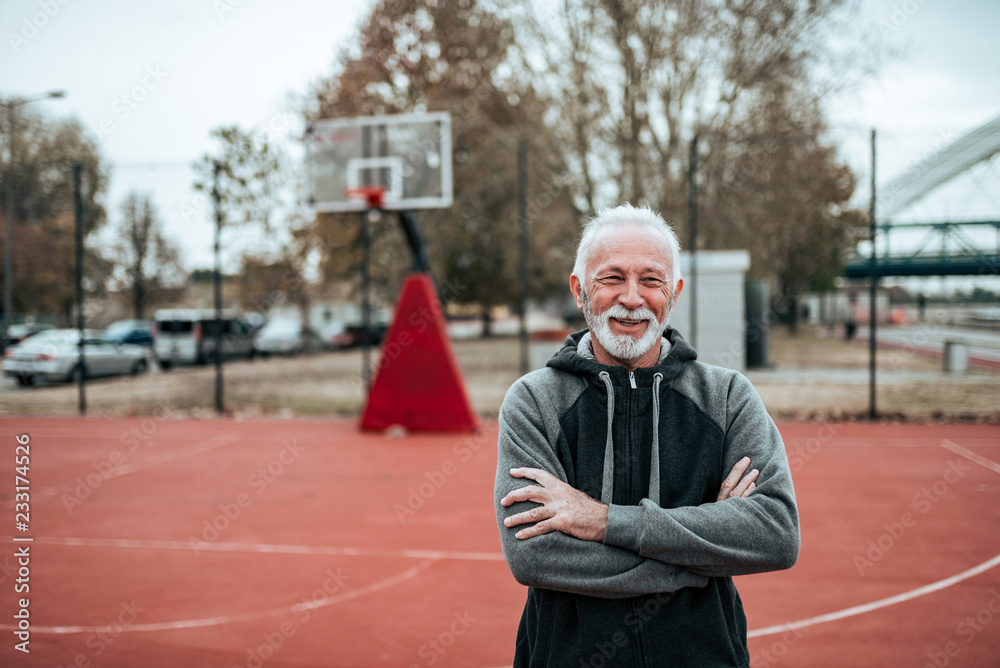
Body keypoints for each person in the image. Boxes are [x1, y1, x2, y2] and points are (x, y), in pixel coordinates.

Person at [494, 203, 800, 667]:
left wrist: (601, 521)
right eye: (612, 278)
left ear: (673, 292)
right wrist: (702, 552)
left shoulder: (727, 397)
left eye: (651, 280)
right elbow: (536, 557)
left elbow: (775, 534)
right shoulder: (534, 402)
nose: (632, 298)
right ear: (579, 290)